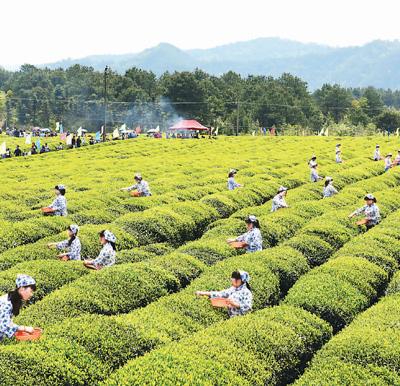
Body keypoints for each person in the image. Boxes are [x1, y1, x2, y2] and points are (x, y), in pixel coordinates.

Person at [0, 275, 39, 341]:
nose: (31, 294)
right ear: (22, 289)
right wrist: (24, 328)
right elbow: (4, 326)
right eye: (31, 291)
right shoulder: (7, 303)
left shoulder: (12, 299)